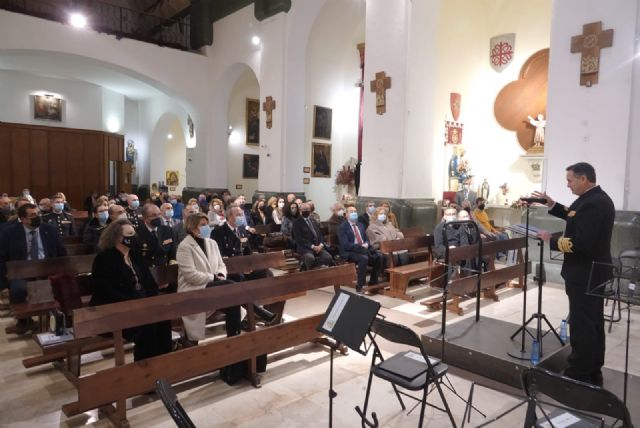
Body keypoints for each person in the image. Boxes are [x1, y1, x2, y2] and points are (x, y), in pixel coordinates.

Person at [534, 162, 614, 387]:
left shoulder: (594, 203)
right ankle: (592, 369)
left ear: (584, 179)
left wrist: (552, 241)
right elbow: (574, 216)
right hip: (592, 271)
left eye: (570, 180)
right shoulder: (593, 199)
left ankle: (579, 373)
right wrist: (553, 204)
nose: (567, 185)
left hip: (585, 272)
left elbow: (583, 243)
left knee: (582, 324)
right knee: (593, 322)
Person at [90, 219, 172, 361]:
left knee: (163, 319)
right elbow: (107, 291)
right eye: (129, 234)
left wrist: (151, 301)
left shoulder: (135, 255)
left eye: (134, 233)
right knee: (148, 324)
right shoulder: (104, 259)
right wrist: (136, 304)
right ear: (117, 237)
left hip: (141, 305)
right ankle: (144, 366)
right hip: (116, 308)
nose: (133, 237)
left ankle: (163, 362)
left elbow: (149, 283)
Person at [0, 203, 67, 332]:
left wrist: (62, 269)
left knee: (63, 284)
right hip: (21, 272)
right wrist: (5, 274)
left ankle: (61, 318)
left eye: (38, 214)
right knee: (18, 289)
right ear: (23, 219)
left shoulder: (50, 230)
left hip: (47, 269)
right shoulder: (9, 233)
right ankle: (23, 320)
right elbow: (1, 256)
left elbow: (61, 252)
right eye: (33, 215)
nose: (38, 217)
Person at [176, 213, 240, 346]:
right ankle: (261, 312)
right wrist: (214, 278)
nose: (207, 228)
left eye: (207, 224)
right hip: (193, 290)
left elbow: (221, 264)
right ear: (192, 227)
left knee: (234, 303)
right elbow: (190, 275)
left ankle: (234, 340)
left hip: (213, 288)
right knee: (232, 287)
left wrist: (221, 275)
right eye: (203, 225)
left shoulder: (212, 242)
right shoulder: (184, 246)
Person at [337, 206, 383, 293]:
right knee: (364, 258)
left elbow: (366, 239)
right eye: (351, 211)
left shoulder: (360, 225)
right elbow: (346, 245)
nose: (354, 213)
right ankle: (360, 285)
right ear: (346, 215)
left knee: (379, 256)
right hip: (350, 251)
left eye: (355, 211)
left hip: (363, 250)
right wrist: (361, 247)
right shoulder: (342, 227)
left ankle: (373, 282)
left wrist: (366, 244)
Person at [292, 203, 333, 271]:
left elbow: (320, 235)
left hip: (318, 246)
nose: (306, 211)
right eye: (304, 209)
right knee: (310, 258)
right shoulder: (297, 223)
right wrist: (312, 247)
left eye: (308, 209)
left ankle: (310, 268)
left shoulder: (313, 220)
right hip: (305, 247)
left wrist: (321, 245)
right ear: (300, 211)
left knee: (328, 257)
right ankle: (309, 271)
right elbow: (299, 239)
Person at [136, 203, 177, 267]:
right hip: (147, 269)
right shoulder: (137, 232)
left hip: (164, 268)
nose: (158, 217)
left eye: (159, 214)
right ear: (145, 217)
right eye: (153, 215)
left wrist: (172, 266)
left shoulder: (168, 230)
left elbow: (173, 252)